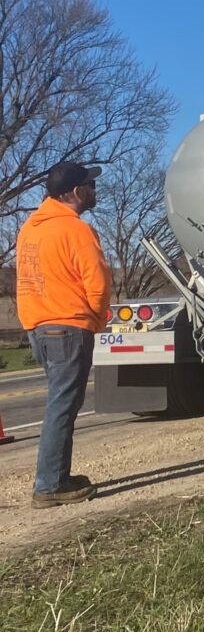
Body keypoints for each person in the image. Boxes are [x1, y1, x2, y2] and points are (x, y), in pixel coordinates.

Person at [16, 162, 112, 509]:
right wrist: (98, 320)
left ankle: (58, 476)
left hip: (38, 326)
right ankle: (49, 485)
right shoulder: (77, 230)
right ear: (75, 192)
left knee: (62, 403)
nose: (95, 190)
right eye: (91, 185)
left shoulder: (30, 228)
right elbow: (98, 284)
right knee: (62, 405)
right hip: (69, 325)